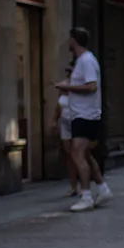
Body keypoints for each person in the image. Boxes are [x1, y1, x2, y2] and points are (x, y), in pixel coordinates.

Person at [55, 27, 112, 212]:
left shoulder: (86, 61)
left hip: (85, 115)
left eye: (70, 39)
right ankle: (103, 188)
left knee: (77, 154)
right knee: (85, 154)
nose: (68, 42)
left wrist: (69, 87)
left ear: (74, 40)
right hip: (83, 114)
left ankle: (86, 195)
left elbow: (91, 86)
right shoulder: (83, 61)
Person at [52, 62, 79, 197]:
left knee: (79, 154)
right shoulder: (63, 86)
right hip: (65, 123)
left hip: (77, 122)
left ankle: (85, 184)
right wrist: (54, 120)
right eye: (68, 71)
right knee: (69, 155)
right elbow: (58, 105)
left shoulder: (80, 86)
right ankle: (73, 185)